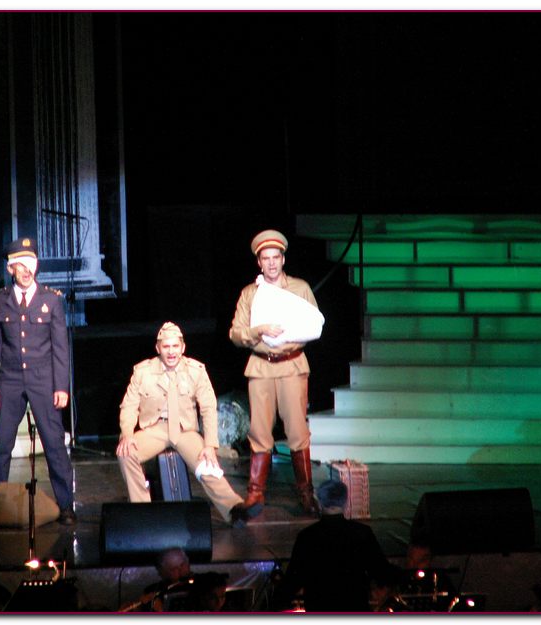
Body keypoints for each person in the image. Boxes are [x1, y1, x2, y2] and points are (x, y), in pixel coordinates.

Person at [116, 322, 261, 527]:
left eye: (175, 346)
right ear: (158, 348)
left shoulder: (196, 370)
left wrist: (210, 445)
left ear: (183, 347)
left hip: (185, 430)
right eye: (166, 347)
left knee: (207, 463)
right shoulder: (143, 372)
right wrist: (127, 434)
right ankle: (143, 511)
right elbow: (129, 406)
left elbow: (208, 407)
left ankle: (234, 509)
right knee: (126, 452)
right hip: (155, 429)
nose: (171, 352)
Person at [229, 229, 321, 517]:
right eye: (265, 258)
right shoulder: (250, 293)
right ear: (259, 262)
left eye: (275, 257)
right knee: (259, 431)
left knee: (296, 430)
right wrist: (259, 330)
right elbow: (235, 333)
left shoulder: (300, 288)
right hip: (261, 365)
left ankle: (306, 492)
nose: (271, 263)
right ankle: (256, 492)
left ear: (283, 259)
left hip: (292, 364)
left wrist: (286, 337)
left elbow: (313, 325)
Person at [0, 236, 76, 526]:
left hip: (43, 380)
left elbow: (60, 347)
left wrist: (61, 387)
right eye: (21, 265)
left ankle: (66, 505)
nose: (27, 271)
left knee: (54, 444)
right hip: (9, 380)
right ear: (11, 268)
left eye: (31, 264)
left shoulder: (51, 300)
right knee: (3, 446)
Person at [278, 480, 401, 612]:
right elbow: (381, 571)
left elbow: (293, 581)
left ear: (320, 502)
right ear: (345, 502)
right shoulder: (362, 533)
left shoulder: (307, 537)